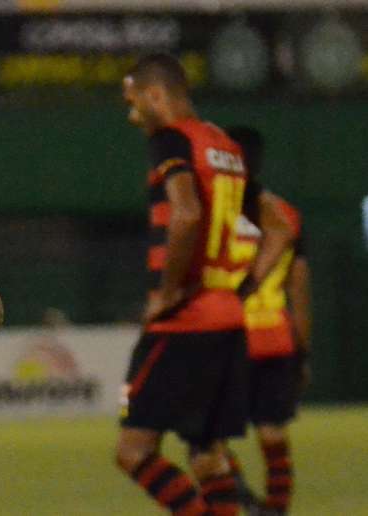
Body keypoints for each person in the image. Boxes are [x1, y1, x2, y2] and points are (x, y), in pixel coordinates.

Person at [116, 54, 293, 516]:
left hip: (185, 323)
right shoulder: (225, 147)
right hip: (228, 319)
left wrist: (168, 291)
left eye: (134, 102)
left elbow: (188, 212)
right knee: (208, 455)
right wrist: (246, 288)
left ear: (156, 95)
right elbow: (278, 229)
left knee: (134, 452)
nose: (133, 115)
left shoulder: (170, 140)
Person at [227, 126, 312, 516]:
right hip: (275, 336)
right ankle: (276, 509)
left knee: (204, 433)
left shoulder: (214, 210)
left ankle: (240, 496)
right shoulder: (288, 215)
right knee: (272, 431)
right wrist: (302, 351)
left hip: (227, 335)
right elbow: (299, 289)